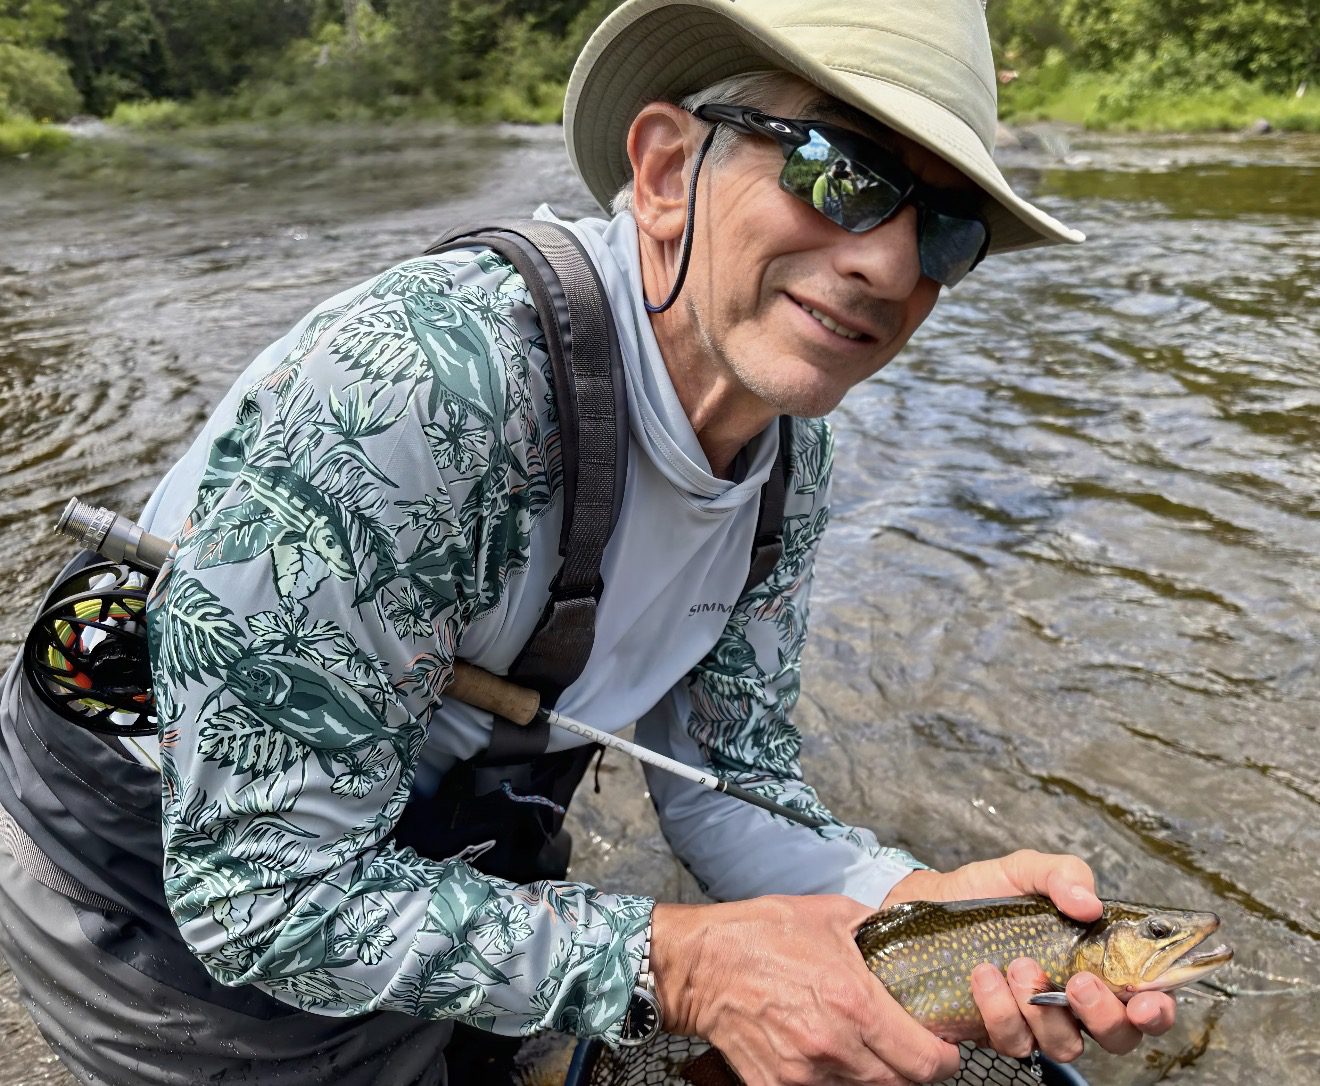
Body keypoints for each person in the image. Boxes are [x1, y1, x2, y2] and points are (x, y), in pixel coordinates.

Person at [0, 1, 1179, 1084]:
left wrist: (916, 904)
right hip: (157, 913)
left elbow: (732, 789)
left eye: (949, 230)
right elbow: (260, 893)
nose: (886, 263)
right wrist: (686, 965)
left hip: (427, 854)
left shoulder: (788, 454)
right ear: (667, 171)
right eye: (841, 173)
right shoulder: (425, 381)